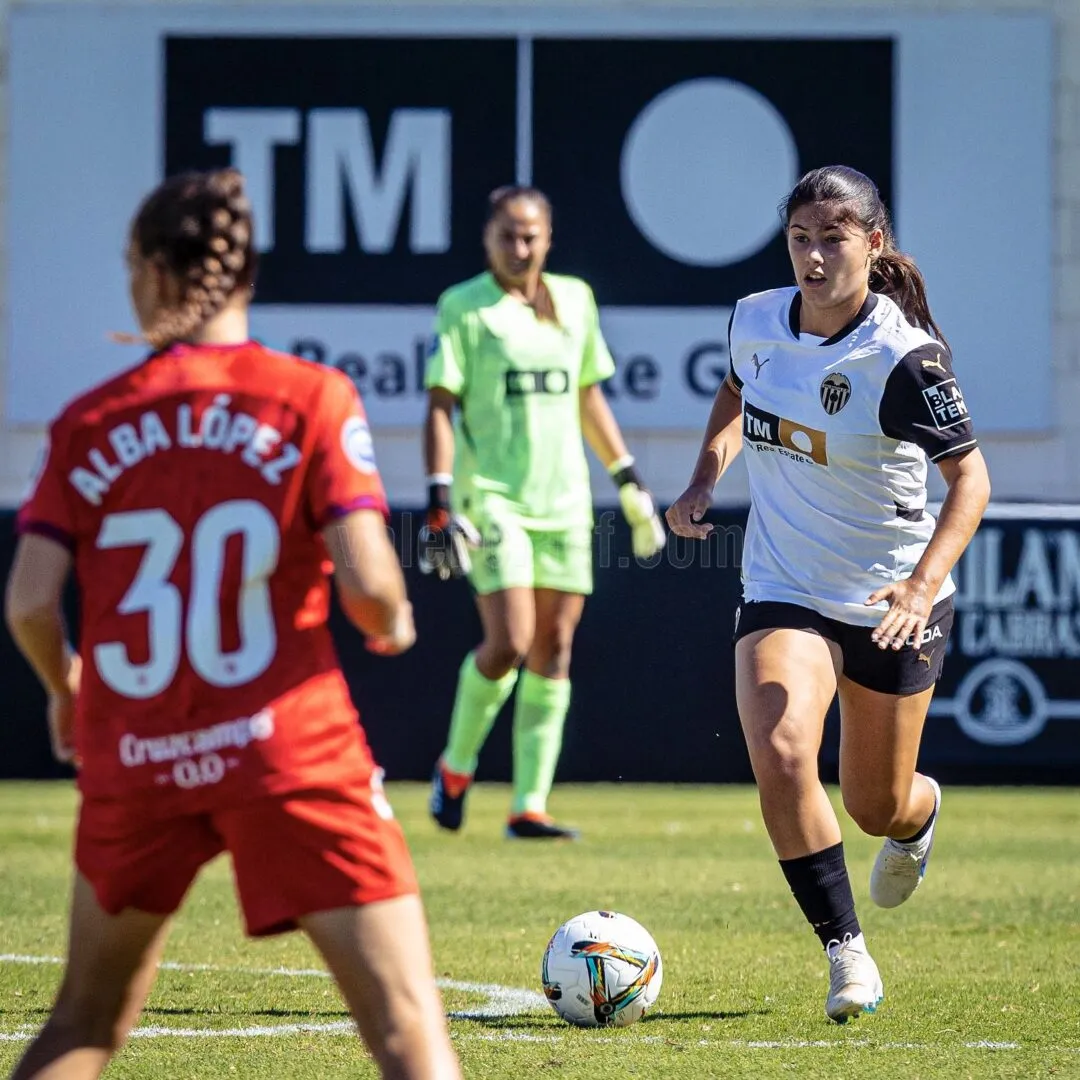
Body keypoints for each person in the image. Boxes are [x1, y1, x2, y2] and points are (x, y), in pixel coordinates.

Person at [4, 168, 461, 1080]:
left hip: (134, 755)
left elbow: (26, 602)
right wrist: (393, 620)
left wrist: (66, 687)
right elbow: (370, 586)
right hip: (285, 750)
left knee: (82, 1027)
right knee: (408, 1034)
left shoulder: (88, 422)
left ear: (152, 274)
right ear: (246, 275)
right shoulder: (310, 397)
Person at [666, 165, 991, 1023]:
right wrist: (704, 479)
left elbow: (973, 484)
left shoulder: (904, 359)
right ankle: (846, 953)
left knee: (874, 804)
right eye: (801, 239)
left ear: (872, 245)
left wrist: (923, 585)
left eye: (833, 240)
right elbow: (736, 392)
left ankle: (918, 818)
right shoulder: (755, 319)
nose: (814, 257)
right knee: (778, 747)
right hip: (784, 582)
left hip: (890, 601)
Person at [420, 185, 665, 840]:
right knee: (510, 641)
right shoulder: (463, 307)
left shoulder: (575, 300)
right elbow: (440, 403)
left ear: (548, 239)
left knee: (555, 647)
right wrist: (439, 497)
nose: (519, 246)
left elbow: (588, 395)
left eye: (530, 235)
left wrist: (629, 480)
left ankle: (528, 805)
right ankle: (456, 764)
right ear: (488, 238)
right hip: (493, 500)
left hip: (565, 500)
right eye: (507, 234)